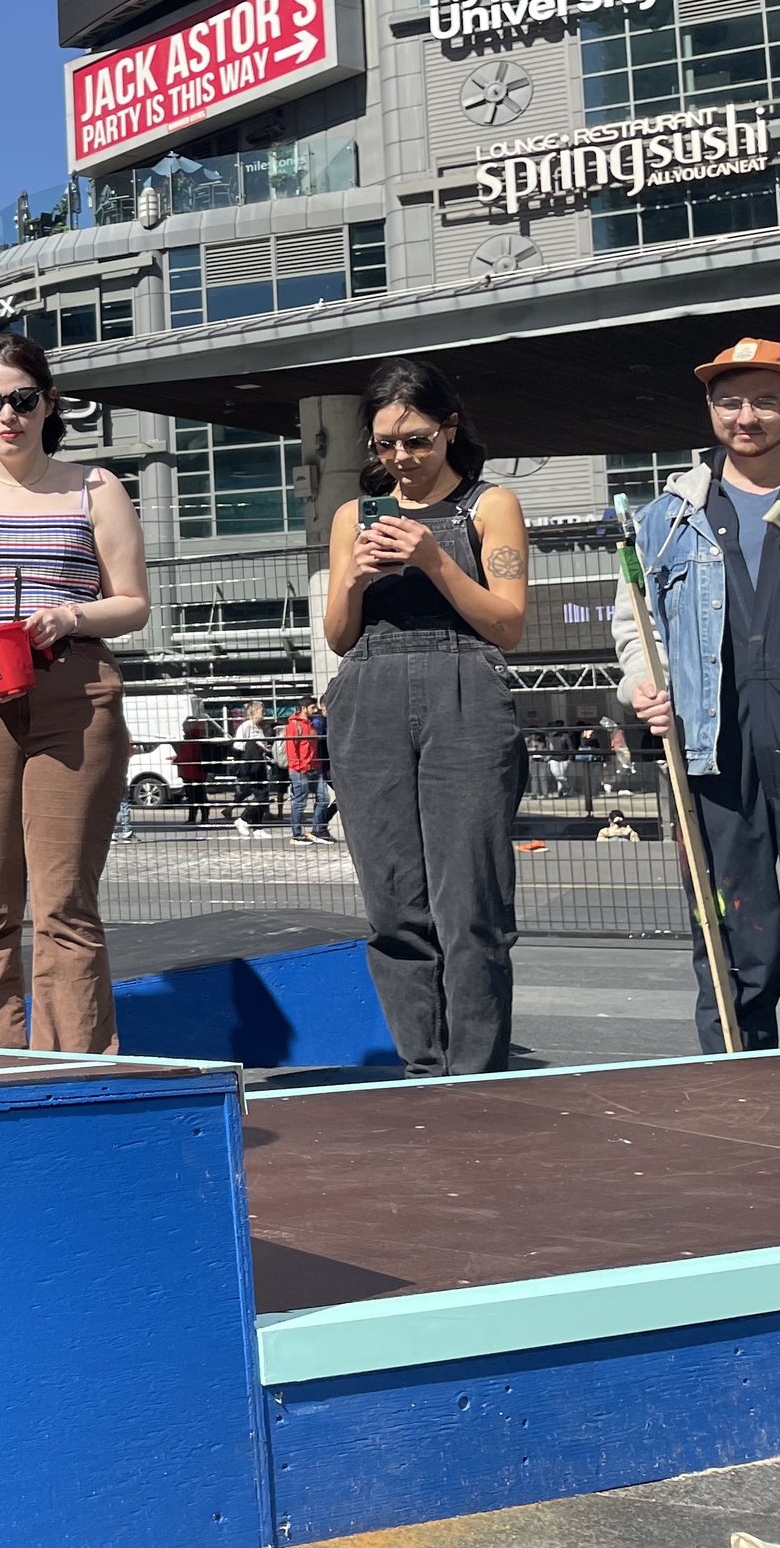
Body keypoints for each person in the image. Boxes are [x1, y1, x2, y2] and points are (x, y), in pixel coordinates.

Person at [0, 333, 150, 1051]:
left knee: (66, 900)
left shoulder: (94, 487)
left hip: (75, 689)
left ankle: (78, 1071)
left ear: (49, 403)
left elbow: (133, 601)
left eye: (21, 399)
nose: (6, 415)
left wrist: (71, 614)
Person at [616, 336, 780, 1052]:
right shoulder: (666, 517)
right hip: (712, 741)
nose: (746, 415)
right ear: (712, 407)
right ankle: (737, 1075)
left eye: (766, 400)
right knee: (729, 923)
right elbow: (637, 621)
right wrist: (642, 685)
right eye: (730, 400)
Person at [323, 357, 530, 1077]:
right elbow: (338, 636)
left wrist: (437, 560)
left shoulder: (487, 505)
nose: (401, 458)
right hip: (369, 683)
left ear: (448, 430)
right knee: (392, 901)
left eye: (415, 440)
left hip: (464, 686)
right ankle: (421, 1063)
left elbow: (507, 625)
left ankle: (475, 1071)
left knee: (469, 897)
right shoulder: (355, 515)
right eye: (385, 444)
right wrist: (350, 577)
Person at [284, 698, 330, 843]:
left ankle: (316, 830)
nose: (315, 710)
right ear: (303, 708)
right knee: (300, 802)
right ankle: (296, 834)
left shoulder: (311, 725)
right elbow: (291, 750)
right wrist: (300, 767)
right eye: (312, 707)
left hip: (314, 768)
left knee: (324, 799)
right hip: (300, 770)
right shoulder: (294, 726)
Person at [231, 702, 271, 836]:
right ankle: (243, 819)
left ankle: (258, 827)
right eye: (261, 710)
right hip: (250, 765)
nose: (264, 712)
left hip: (260, 764)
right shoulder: (246, 726)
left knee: (264, 794)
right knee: (261, 795)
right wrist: (253, 747)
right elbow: (238, 745)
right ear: (253, 712)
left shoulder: (259, 728)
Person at [173, 716, 211, 827]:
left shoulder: (191, 740)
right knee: (199, 796)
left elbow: (188, 756)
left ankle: (194, 818)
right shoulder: (197, 738)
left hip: (192, 772)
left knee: (194, 797)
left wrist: (179, 761)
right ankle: (203, 818)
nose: (183, 729)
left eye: (184, 726)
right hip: (196, 772)